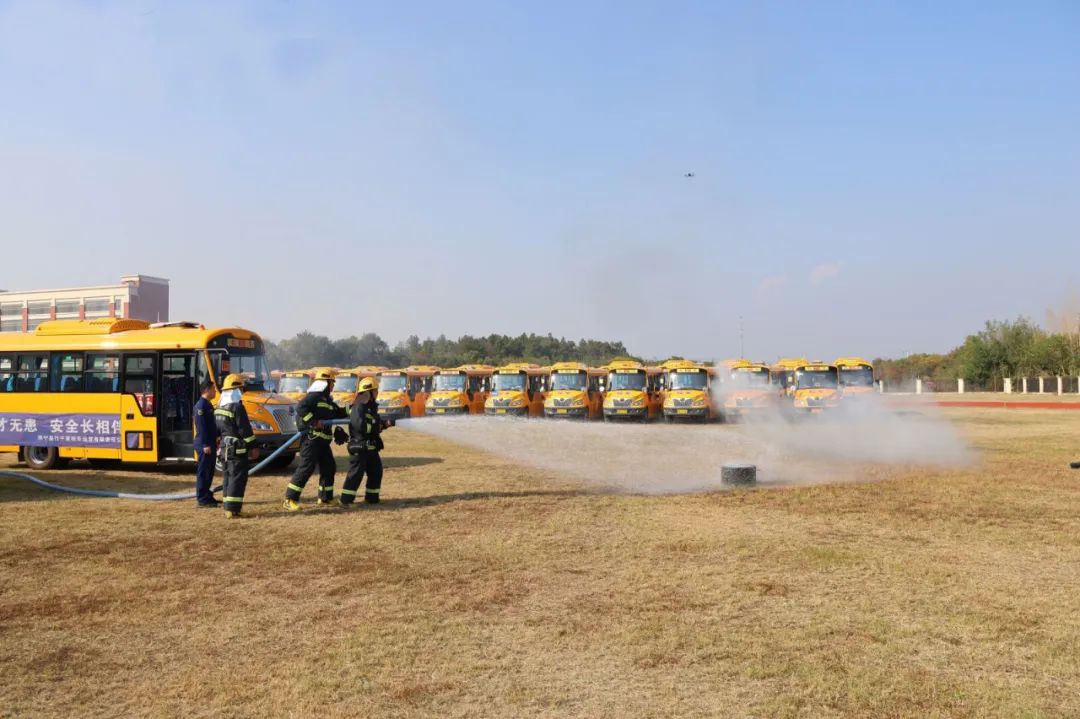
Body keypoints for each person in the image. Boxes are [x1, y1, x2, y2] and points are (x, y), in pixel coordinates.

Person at [283, 369, 348, 511]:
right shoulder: (313, 396)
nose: (333, 386)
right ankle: (290, 499)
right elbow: (301, 408)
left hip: (322, 443)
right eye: (332, 383)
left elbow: (339, 412)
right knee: (306, 468)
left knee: (329, 467)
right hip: (311, 440)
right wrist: (313, 422)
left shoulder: (328, 401)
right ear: (325, 383)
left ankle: (325, 498)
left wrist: (354, 407)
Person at [340, 376, 394, 507]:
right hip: (360, 446)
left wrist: (384, 424)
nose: (377, 392)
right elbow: (360, 425)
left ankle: (372, 498)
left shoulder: (371, 406)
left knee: (376, 471)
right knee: (355, 474)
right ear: (369, 391)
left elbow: (374, 423)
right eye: (375, 390)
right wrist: (376, 426)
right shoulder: (359, 406)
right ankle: (346, 501)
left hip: (370, 447)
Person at [214, 373, 260, 519]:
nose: (242, 392)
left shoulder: (219, 407)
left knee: (228, 477)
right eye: (241, 389)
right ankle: (233, 510)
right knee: (237, 478)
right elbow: (245, 430)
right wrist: (253, 446)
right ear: (236, 390)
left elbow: (218, 430)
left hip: (224, 449)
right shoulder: (237, 407)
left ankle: (228, 507)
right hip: (237, 450)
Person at [193, 380, 220, 508]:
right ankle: (202, 498)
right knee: (203, 472)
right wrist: (205, 445)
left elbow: (212, 425)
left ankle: (207, 495)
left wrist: (217, 437)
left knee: (209, 471)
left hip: (211, 443)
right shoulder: (201, 406)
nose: (215, 391)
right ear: (206, 390)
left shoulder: (208, 404)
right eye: (213, 389)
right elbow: (201, 427)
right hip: (205, 444)